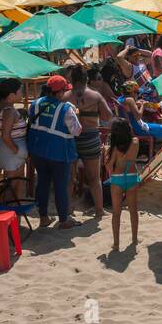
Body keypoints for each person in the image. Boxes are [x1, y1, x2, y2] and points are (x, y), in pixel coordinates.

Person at [27, 74, 82, 230]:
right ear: (60, 92)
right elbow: (77, 131)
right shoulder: (66, 109)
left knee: (43, 182)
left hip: (38, 150)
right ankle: (63, 220)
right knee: (60, 185)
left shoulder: (35, 104)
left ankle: (43, 217)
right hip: (59, 152)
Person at [70, 65, 110, 221]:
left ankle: (68, 210)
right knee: (94, 178)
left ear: (71, 80)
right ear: (87, 79)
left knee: (69, 178)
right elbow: (107, 116)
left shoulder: (65, 96)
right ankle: (99, 211)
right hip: (90, 136)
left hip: (70, 138)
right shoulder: (95, 96)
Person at [105, 119, 141, 251]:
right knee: (133, 211)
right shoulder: (135, 142)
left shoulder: (113, 149)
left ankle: (116, 244)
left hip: (117, 180)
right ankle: (134, 239)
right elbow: (130, 155)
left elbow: (108, 167)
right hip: (132, 177)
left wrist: (106, 153)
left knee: (116, 213)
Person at [0, 83, 28, 199]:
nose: (22, 94)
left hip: (5, 149)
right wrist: (17, 150)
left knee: (15, 181)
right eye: (19, 91)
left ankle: (16, 209)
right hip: (11, 151)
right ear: (11, 95)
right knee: (13, 184)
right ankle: (12, 210)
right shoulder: (9, 111)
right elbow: (6, 136)